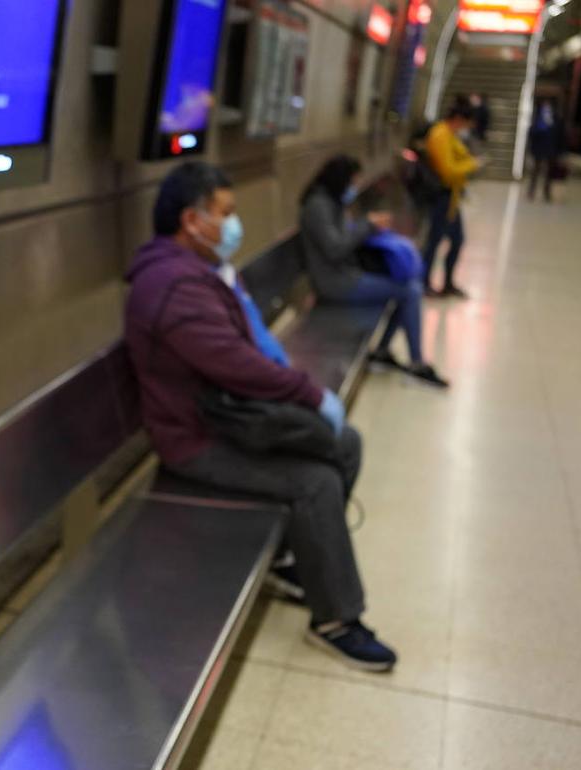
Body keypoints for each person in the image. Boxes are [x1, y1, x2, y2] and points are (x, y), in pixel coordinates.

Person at [124, 161, 398, 673]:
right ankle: (335, 619)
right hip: (197, 440)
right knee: (315, 480)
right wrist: (308, 394)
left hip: (226, 418)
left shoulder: (191, 271)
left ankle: (296, 557)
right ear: (191, 220)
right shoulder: (172, 285)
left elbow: (239, 353)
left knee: (347, 444)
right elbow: (233, 361)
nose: (233, 224)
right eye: (225, 213)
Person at [299, 154, 449, 388]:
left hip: (345, 275)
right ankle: (415, 361)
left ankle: (384, 350)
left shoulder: (330, 202)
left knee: (408, 286)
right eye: (352, 181)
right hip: (335, 283)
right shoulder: (318, 206)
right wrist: (367, 226)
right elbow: (335, 248)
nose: (354, 187)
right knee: (410, 291)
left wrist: (365, 226)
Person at [421, 101, 481, 299]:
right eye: (466, 124)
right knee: (434, 241)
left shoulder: (450, 135)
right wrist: (471, 164)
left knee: (457, 240)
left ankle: (447, 283)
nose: (467, 129)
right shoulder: (440, 135)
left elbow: (459, 158)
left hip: (452, 197)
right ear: (458, 120)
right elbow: (447, 170)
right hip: (442, 196)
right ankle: (424, 282)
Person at [528, 98, 564, 202]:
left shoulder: (557, 119)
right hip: (539, 149)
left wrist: (561, 151)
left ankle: (546, 191)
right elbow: (531, 133)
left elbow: (560, 136)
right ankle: (531, 190)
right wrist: (540, 128)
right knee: (536, 170)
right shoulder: (538, 119)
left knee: (549, 172)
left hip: (551, 150)